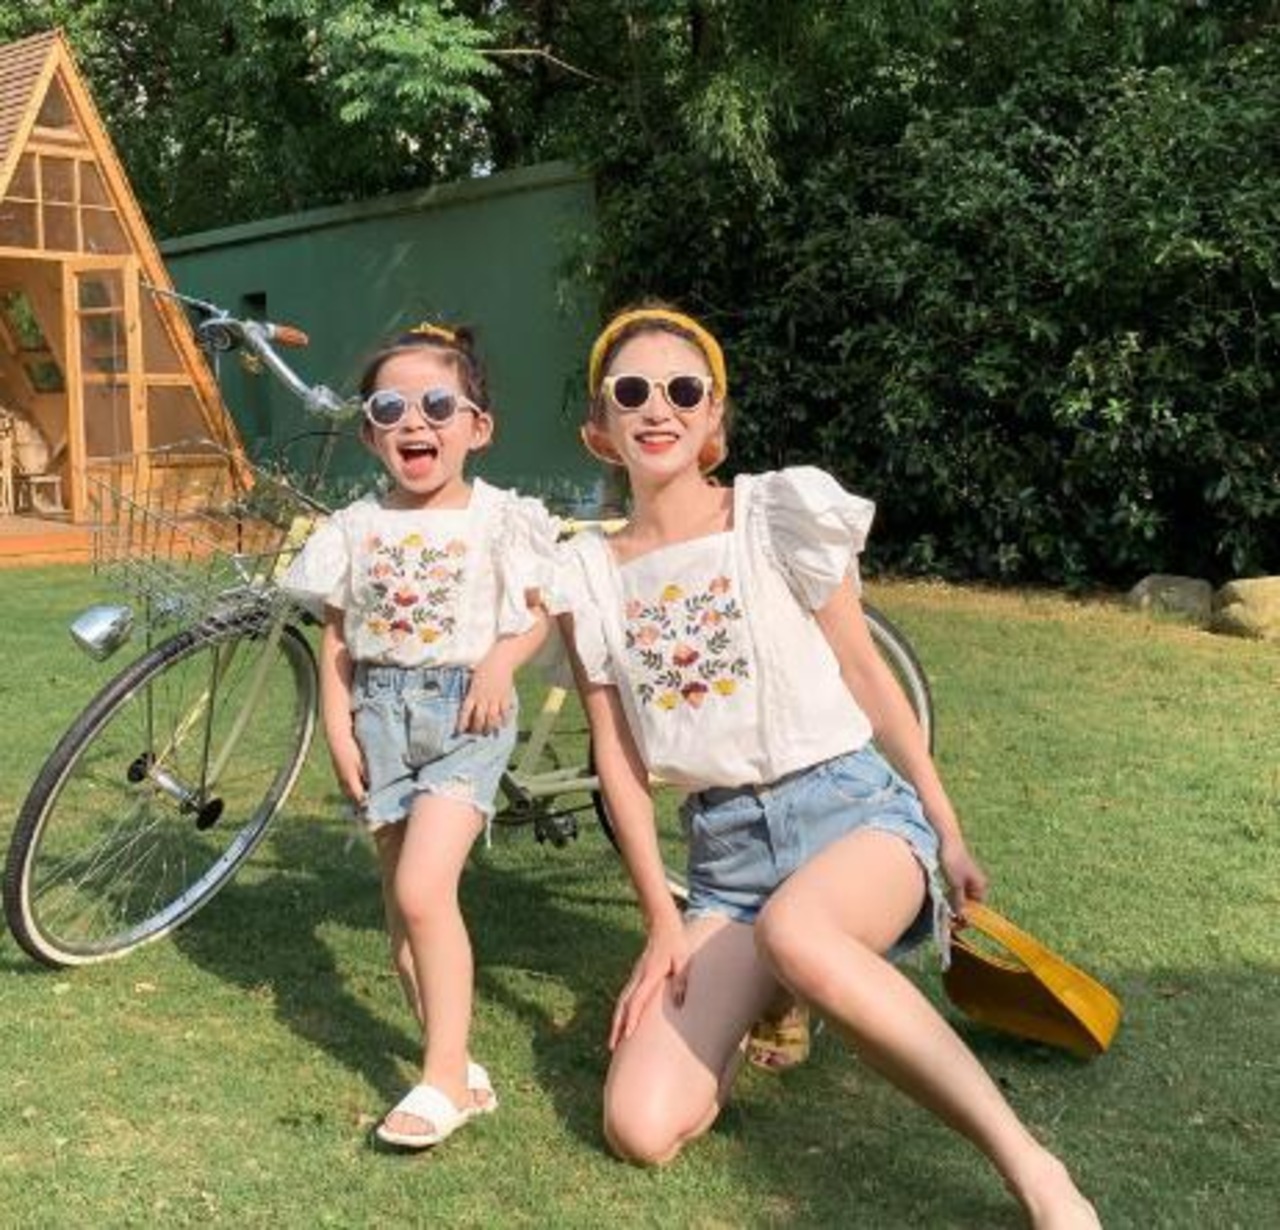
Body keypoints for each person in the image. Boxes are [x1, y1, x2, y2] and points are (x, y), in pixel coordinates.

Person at [552, 305, 1100, 1228]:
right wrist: (661, 921)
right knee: (639, 1127)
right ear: (599, 428)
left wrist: (947, 830)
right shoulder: (587, 575)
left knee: (801, 930)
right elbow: (617, 756)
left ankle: (1033, 1168)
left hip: (851, 815)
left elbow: (866, 673)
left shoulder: (776, 514)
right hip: (726, 862)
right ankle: (768, 994)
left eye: (683, 389)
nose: (658, 407)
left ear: (714, 418)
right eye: (631, 391)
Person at [282, 321, 556, 1149]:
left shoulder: (500, 519)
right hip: (378, 720)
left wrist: (501, 664)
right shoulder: (354, 526)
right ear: (370, 433)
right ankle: (457, 1063)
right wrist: (338, 728)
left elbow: (536, 614)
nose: (414, 422)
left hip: (467, 714)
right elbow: (338, 638)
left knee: (422, 892)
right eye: (389, 408)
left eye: (438, 405)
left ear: (478, 426)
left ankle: (439, 1081)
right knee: (403, 915)